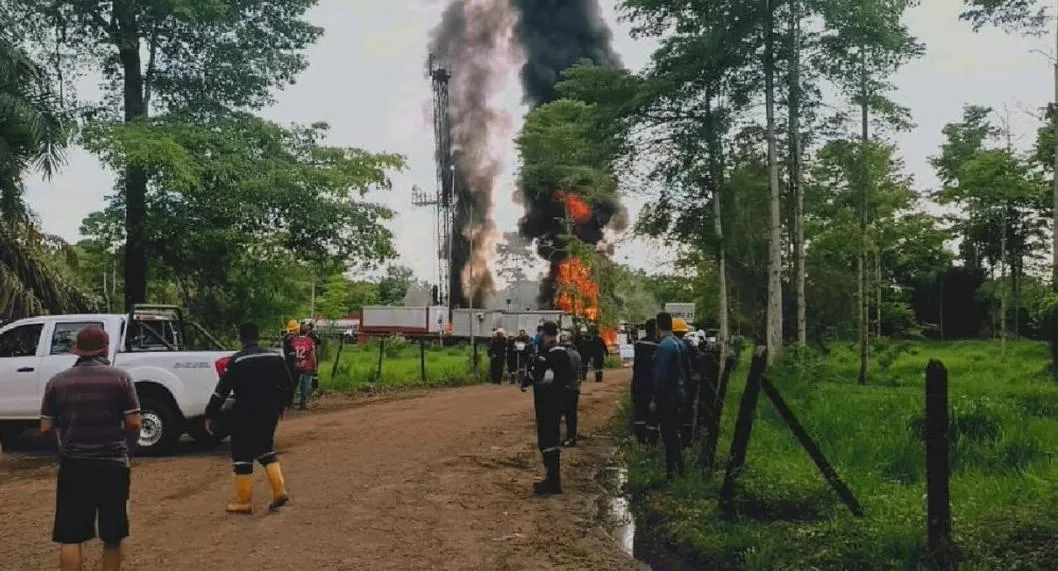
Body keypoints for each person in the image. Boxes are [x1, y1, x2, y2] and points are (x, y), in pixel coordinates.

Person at [39, 326, 142, 571]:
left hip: (74, 464)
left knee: (70, 537)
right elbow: (134, 423)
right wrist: (128, 451)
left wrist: (60, 452)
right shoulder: (120, 378)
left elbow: (45, 427)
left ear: (78, 351)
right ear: (105, 348)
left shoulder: (57, 382)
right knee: (112, 536)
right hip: (112, 464)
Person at [205, 323, 293, 514]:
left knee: (242, 455)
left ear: (241, 338)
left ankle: (244, 502)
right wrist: (283, 405)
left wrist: (210, 414)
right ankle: (279, 490)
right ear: (257, 336)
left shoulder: (237, 361)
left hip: (245, 413)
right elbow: (288, 385)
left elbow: (221, 392)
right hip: (270, 412)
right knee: (265, 448)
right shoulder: (275, 357)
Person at [520, 321, 572, 495]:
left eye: (541, 334)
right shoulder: (558, 353)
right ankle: (551, 480)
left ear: (546, 334)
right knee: (550, 439)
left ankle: (553, 483)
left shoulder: (552, 354)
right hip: (553, 402)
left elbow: (544, 377)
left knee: (548, 440)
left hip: (548, 403)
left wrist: (532, 377)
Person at [652, 312, 688, 479]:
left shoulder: (664, 346)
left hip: (668, 396)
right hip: (680, 394)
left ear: (658, 326)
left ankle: (671, 473)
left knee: (668, 434)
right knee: (675, 433)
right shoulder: (679, 343)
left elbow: (660, 376)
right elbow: (687, 371)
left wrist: (655, 399)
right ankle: (680, 469)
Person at [672, 318, 701, 448]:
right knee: (687, 411)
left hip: (674, 385)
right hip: (688, 384)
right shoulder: (690, 345)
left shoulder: (670, 345)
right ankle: (686, 440)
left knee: (673, 413)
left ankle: (675, 438)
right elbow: (699, 360)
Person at [631, 319, 659, 445]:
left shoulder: (638, 344)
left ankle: (640, 442)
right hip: (653, 385)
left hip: (638, 383)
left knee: (639, 414)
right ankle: (651, 443)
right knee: (652, 416)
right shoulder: (659, 346)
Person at [558, 331, 583, 447]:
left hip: (565, 387)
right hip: (575, 387)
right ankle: (571, 437)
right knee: (571, 414)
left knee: (562, 414)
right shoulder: (577, 354)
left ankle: (569, 438)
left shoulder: (562, 355)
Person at [291, 324, 318, 410]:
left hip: (297, 364)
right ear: (307, 332)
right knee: (305, 384)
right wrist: (315, 365)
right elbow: (312, 354)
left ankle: (290, 402)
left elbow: (293, 352)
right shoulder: (309, 341)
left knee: (294, 384)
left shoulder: (295, 340)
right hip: (307, 365)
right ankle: (303, 404)